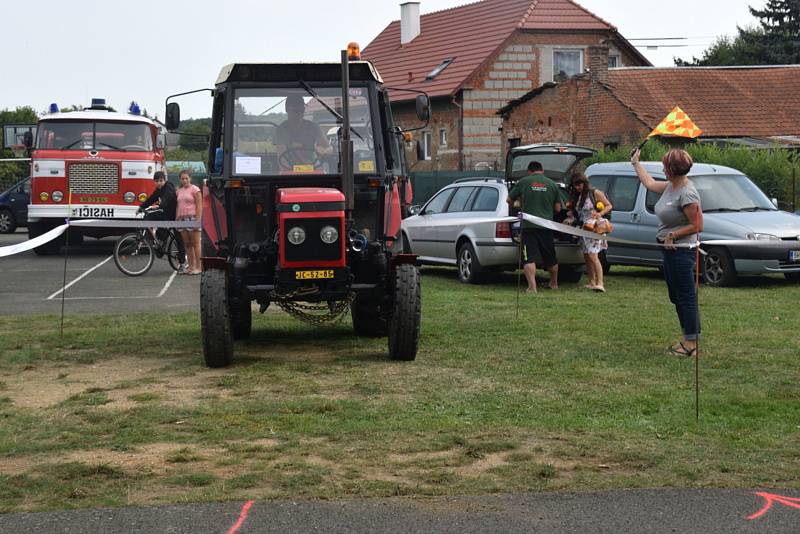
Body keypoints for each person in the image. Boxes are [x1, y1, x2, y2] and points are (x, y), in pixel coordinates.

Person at [631, 148, 703, 357]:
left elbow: (698, 225)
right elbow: (650, 184)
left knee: (686, 297)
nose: (662, 169)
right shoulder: (671, 187)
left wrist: (674, 235)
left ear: (672, 169)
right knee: (676, 296)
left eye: (664, 166)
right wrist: (636, 163)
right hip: (669, 251)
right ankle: (688, 337)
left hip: (682, 252)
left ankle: (691, 343)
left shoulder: (687, 192)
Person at [507, 161, 561, 292]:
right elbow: (558, 208)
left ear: (529, 171)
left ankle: (532, 287)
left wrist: (519, 205)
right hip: (547, 226)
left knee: (528, 257)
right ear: (542, 170)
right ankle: (554, 284)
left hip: (528, 226)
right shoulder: (552, 184)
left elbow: (509, 200)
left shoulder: (524, 182)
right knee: (550, 257)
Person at [567, 172, 612, 292]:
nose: (578, 187)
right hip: (583, 228)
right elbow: (577, 213)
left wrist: (599, 214)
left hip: (595, 227)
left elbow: (608, 206)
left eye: (580, 184)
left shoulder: (595, 193)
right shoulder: (577, 196)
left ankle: (600, 283)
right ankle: (592, 282)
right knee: (587, 256)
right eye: (575, 185)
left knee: (593, 255)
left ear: (584, 183)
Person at [138, 171, 186, 267]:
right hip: (165, 214)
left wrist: (159, 206)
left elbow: (167, 198)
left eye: (161, 181)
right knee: (149, 217)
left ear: (164, 180)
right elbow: (152, 198)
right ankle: (158, 241)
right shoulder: (158, 190)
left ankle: (182, 262)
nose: (159, 183)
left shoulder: (168, 187)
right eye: (156, 181)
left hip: (174, 216)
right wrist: (141, 207)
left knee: (178, 238)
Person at [275, 95, 331, 171]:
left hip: (311, 167)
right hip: (290, 169)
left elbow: (329, 148)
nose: (298, 114)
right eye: (295, 111)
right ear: (287, 110)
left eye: (301, 110)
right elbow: (281, 157)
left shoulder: (313, 127)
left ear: (304, 110)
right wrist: (289, 174)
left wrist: (323, 151)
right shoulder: (281, 129)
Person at [175, 169, 203, 275]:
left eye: (186, 178)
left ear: (190, 178)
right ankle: (190, 267)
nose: (185, 180)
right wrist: (177, 219)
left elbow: (199, 206)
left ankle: (198, 267)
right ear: (180, 179)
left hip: (192, 218)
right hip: (181, 219)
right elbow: (178, 206)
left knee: (195, 243)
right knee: (187, 244)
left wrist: (197, 220)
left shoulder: (195, 189)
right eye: (182, 178)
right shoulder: (178, 191)